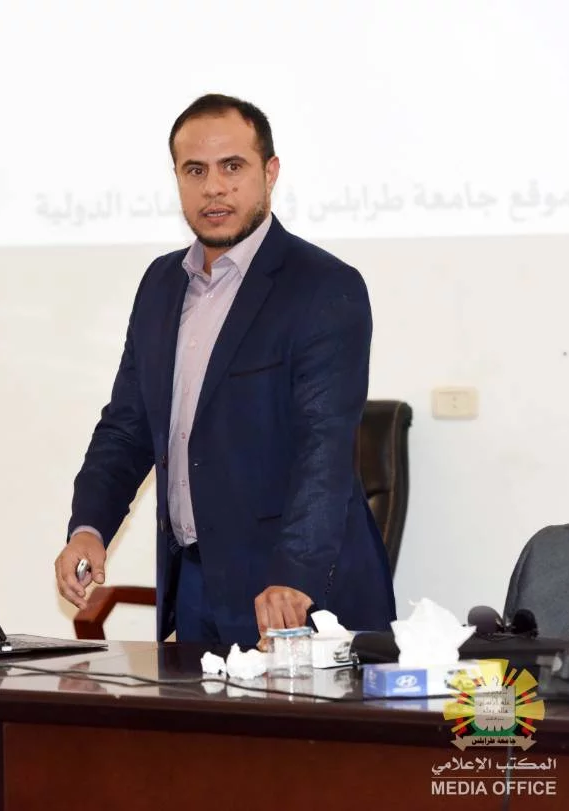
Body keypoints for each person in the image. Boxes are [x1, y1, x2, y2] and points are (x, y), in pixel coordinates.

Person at [54, 93, 396, 649]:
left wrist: (294, 577)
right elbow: (127, 426)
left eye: (232, 166)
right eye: (195, 170)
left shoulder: (323, 287)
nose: (213, 187)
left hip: (293, 594)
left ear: (270, 172)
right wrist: (89, 528)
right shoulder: (160, 284)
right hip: (192, 585)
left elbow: (324, 448)